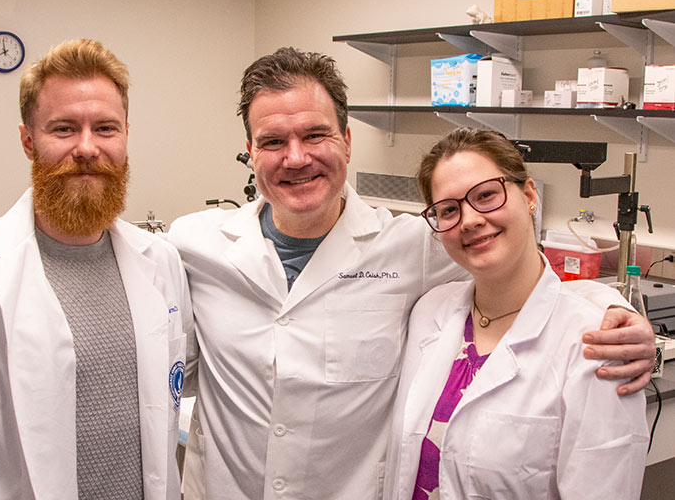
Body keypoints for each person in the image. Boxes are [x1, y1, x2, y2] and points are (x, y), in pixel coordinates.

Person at [166, 47, 654, 500]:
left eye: (315, 135)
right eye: (273, 141)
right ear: (251, 151)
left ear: (347, 141)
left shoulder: (414, 246)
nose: (296, 157)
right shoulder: (194, 246)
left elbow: (510, 265)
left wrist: (612, 310)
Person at [0, 39, 194, 500]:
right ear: (28, 141)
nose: (87, 147)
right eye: (64, 129)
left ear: (125, 135)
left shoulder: (161, 263)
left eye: (105, 128)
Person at [384, 128, 649, 499]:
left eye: (486, 195)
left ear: (529, 196)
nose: (470, 220)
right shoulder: (429, 312)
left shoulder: (595, 346)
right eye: (449, 210)